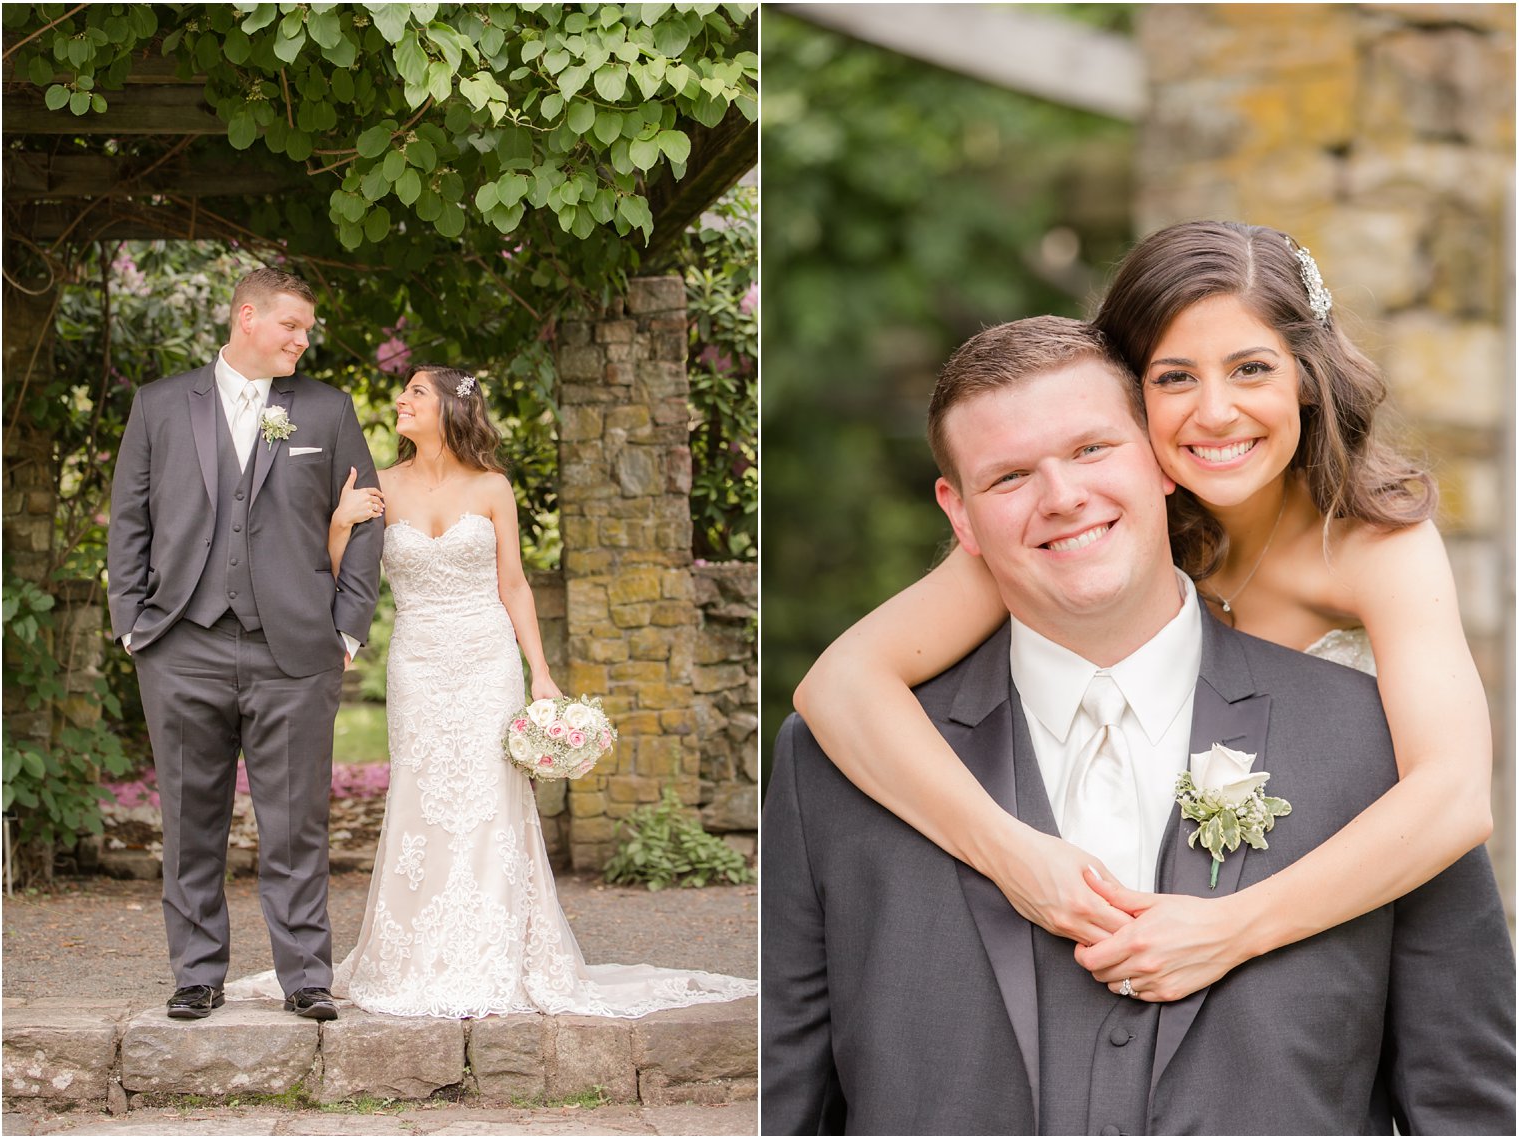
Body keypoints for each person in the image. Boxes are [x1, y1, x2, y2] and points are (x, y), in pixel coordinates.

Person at [761, 314, 1514, 1134]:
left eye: (1091, 449)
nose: (1062, 497)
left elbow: (1469, 1108)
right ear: (961, 513)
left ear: (1160, 461)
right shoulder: (831, 767)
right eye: (1010, 476)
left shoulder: (1375, 746)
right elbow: (782, 1095)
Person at [256, 363, 756, 1018]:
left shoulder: (493, 487)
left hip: (487, 658)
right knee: (421, 796)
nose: (400, 400)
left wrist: (540, 671)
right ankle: (415, 953)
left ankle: (494, 953)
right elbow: (339, 574)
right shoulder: (380, 484)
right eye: (403, 390)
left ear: (450, 411)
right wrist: (343, 520)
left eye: (416, 393)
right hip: (419, 660)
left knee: (491, 800)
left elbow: (513, 584)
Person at [107, 268, 384, 1023]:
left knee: (296, 821)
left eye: (307, 330)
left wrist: (348, 625)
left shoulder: (325, 410)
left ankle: (305, 977)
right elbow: (128, 520)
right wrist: (133, 622)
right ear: (248, 316)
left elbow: (367, 519)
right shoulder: (161, 404)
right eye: (292, 325)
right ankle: (196, 974)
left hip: (295, 649)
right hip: (179, 645)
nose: (303, 339)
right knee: (190, 817)